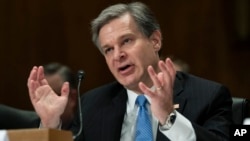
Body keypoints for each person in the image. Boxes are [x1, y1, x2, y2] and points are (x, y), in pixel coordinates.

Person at [27, 2, 232, 141]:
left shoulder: (209, 96)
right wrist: (50, 125)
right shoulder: (92, 104)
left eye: (126, 41)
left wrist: (169, 118)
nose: (118, 55)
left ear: (155, 40)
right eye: (108, 49)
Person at [0, 62, 77, 129]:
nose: (47, 103)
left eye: (53, 95)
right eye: (41, 95)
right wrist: (48, 125)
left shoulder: (85, 129)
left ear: (72, 98)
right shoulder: (29, 124)